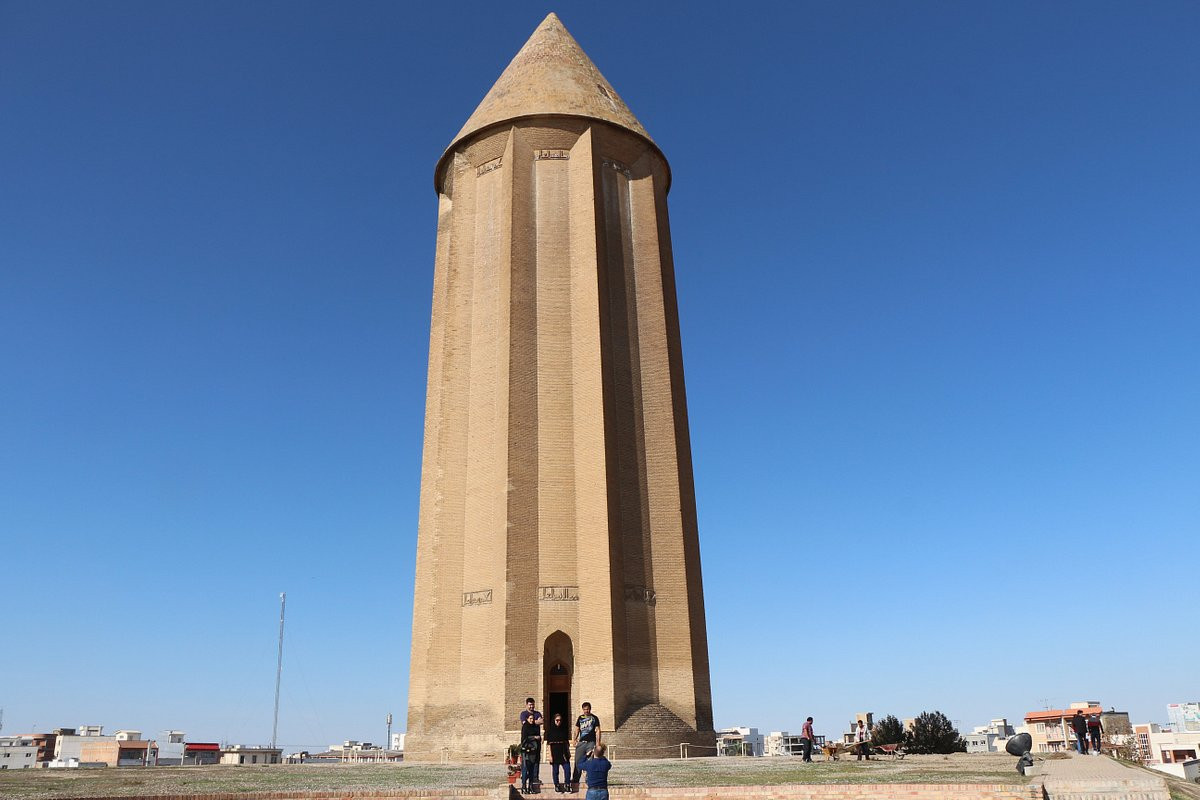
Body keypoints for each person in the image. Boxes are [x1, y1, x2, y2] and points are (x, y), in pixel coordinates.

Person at [570, 701, 602, 792]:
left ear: (590, 709)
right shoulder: (580, 718)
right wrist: (574, 739)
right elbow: (577, 729)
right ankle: (575, 779)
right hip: (581, 743)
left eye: (587, 709)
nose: (586, 711)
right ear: (582, 709)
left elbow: (598, 730)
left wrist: (598, 743)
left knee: (590, 761)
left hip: (591, 743)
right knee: (578, 761)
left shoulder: (594, 718)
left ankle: (589, 779)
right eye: (584, 709)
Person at [520, 699, 543, 793]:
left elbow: (542, 721)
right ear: (526, 705)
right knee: (526, 766)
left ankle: (534, 780)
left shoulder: (537, 713)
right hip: (527, 748)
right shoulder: (523, 715)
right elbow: (525, 726)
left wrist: (535, 722)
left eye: (533, 705)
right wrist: (536, 722)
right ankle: (524, 785)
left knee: (535, 763)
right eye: (530, 705)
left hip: (535, 746)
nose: (531, 706)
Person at [545, 712, 572, 792]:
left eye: (560, 720)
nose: (558, 722)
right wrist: (550, 755)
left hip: (563, 752)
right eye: (557, 720)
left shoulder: (563, 730)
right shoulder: (550, 731)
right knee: (555, 771)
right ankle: (556, 785)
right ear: (554, 720)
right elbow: (549, 744)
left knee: (567, 769)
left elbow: (566, 742)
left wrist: (568, 752)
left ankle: (567, 784)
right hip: (555, 752)